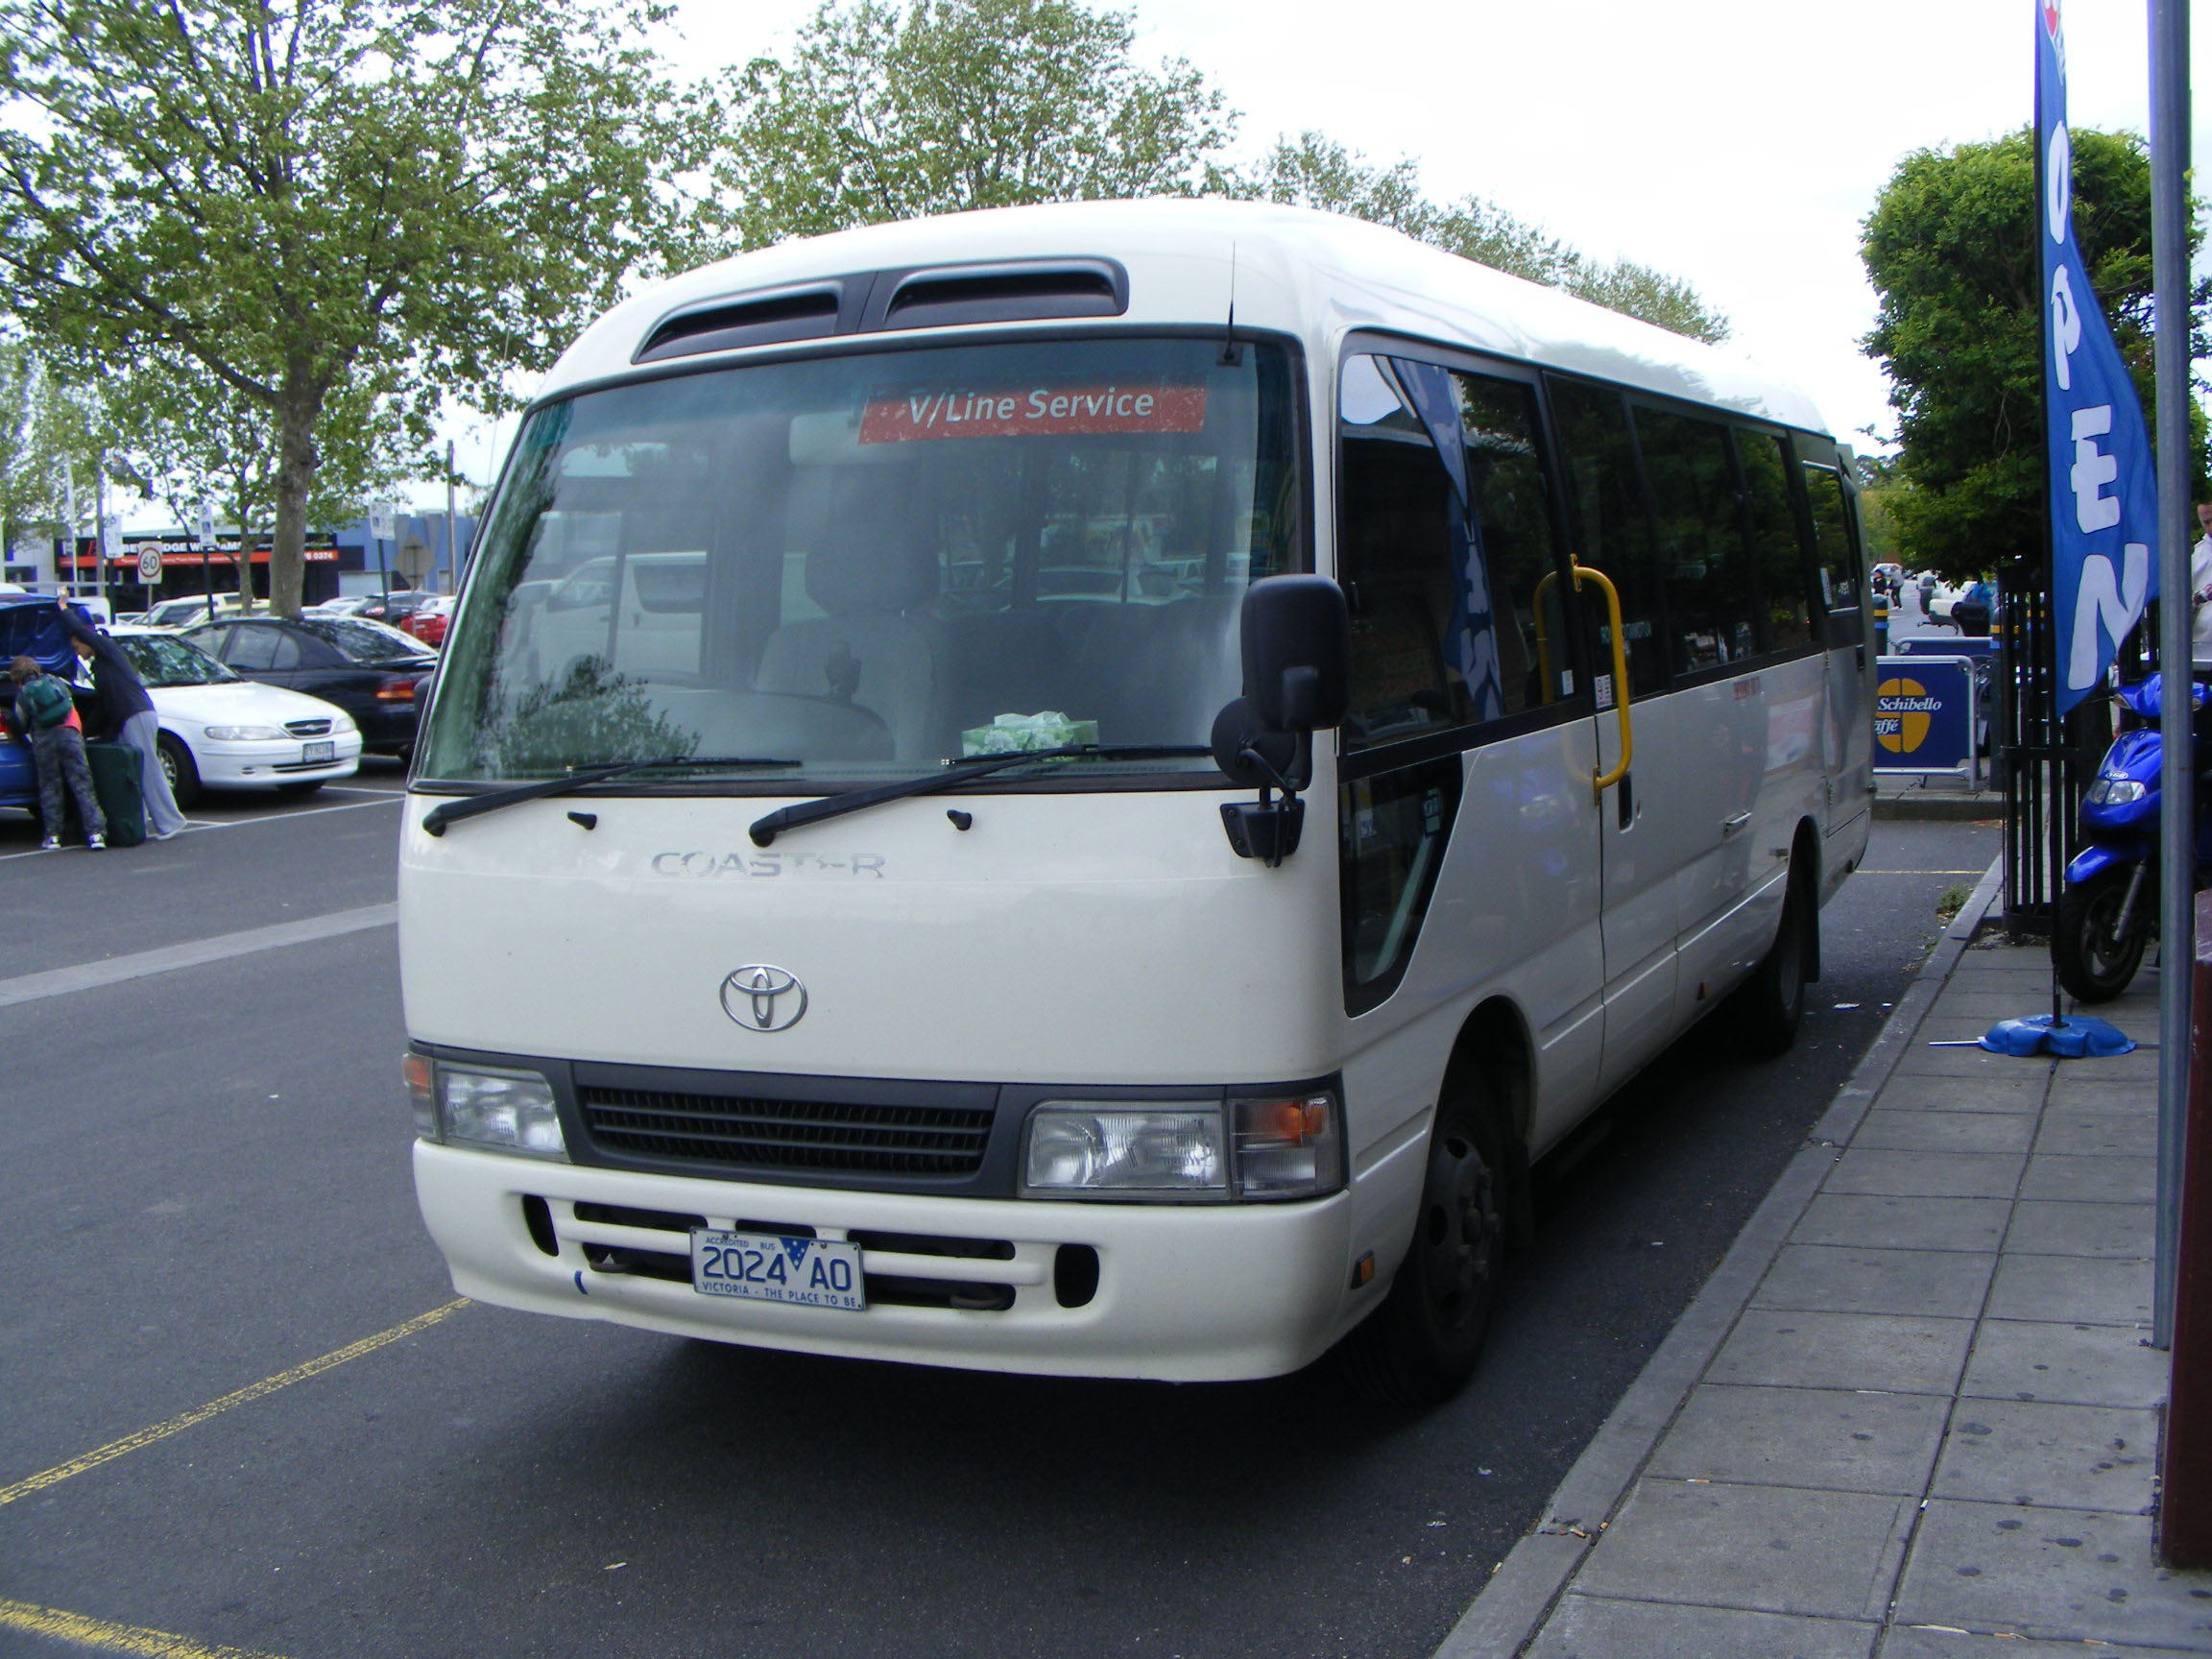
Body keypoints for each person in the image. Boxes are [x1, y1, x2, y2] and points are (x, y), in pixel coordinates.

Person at [55, 597, 185, 839]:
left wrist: (63, 610)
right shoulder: (103, 666)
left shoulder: (105, 647)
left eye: (77, 648)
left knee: (147, 769)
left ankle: (170, 821)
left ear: (84, 639)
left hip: (135, 713)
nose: (79, 655)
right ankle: (142, 824)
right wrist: (84, 733)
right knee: (137, 770)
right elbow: (104, 707)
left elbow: (84, 633)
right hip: (133, 715)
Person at [9, 654, 104, 851]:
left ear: (17, 677)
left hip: (44, 740)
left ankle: (53, 836)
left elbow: (19, 722)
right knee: (82, 784)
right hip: (70, 734)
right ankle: (96, 834)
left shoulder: (24, 693)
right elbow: (70, 705)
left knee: (50, 786)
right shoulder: (57, 683)